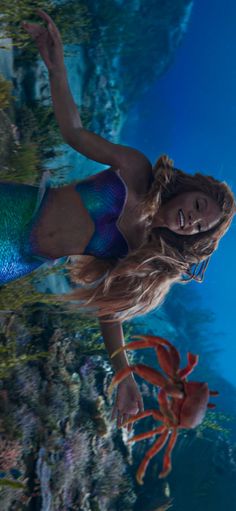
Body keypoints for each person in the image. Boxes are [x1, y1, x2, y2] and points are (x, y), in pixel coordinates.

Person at [2, 9, 234, 428]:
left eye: (199, 228)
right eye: (199, 207)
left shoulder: (141, 252)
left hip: (18, 259)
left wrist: (123, 376)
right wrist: (56, 67)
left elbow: (111, 312)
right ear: (190, 190)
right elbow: (73, 133)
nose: (191, 221)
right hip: (16, 209)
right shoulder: (134, 169)